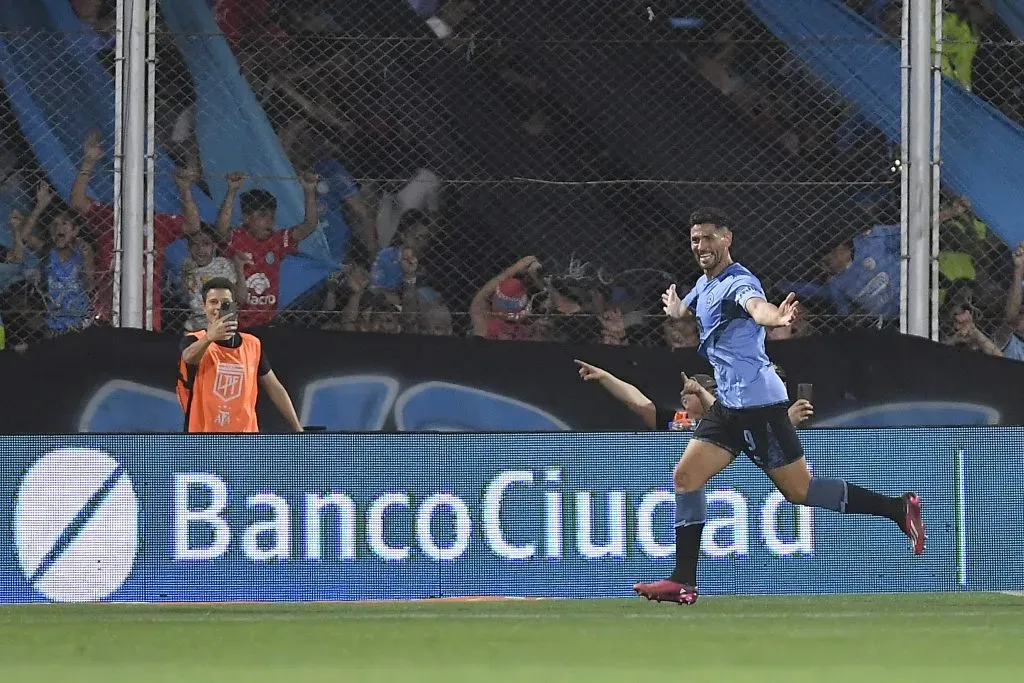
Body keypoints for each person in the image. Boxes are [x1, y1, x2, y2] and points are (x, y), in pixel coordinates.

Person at [630, 207, 925, 606]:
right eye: (695, 239)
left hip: (758, 407)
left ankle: (896, 508)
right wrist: (677, 308)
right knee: (685, 477)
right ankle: (683, 581)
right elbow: (689, 308)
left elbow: (756, 307)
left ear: (727, 238)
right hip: (728, 407)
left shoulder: (738, 282)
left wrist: (775, 316)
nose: (700, 245)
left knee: (800, 491)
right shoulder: (704, 284)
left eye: (708, 238)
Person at [177, 277, 303, 433]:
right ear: (204, 307)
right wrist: (209, 337)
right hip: (203, 438)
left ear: (234, 307)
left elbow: (274, 387)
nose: (218, 307)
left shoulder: (252, 344)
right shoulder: (194, 340)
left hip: (245, 439)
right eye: (213, 302)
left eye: (225, 303)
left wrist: (298, 428)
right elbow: (188, 357)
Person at [574, 361, 814, 431]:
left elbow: (720, 413)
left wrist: (700, 391)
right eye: (686, 390)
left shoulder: (727, 420)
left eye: (696, 389)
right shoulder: (676, 421)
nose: (685, 393)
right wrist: (606, 376)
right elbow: (637, 402)